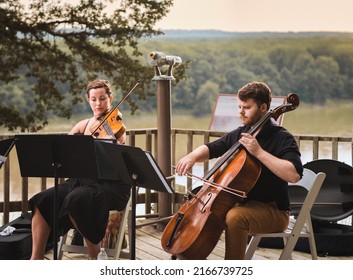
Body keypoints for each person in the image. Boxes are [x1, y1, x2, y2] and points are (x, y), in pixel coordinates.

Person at [175, 81, 303, 260]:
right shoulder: (242, 133)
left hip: (273, 210)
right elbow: (212, 148)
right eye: (239, 107)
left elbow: (294, 174)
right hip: (244, 203)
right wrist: (192, 157)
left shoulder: (282, 138)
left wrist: (258, 152)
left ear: (263, 107)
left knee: (235, 218)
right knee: (201, 204)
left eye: (247, 107)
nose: (241, 112)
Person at [29, 79, 131, 259]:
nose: (98, 104)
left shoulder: (116, 126)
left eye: (102, 99)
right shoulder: (82, 125)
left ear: (110, 98)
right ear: (88, 100)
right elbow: (65, 151)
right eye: (93, 99)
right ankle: (35, 259)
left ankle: (95, 258)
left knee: (77, 199)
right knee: (42, 199)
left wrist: (107, 138)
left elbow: (119, 147)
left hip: (109, 186)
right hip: (80, 181)